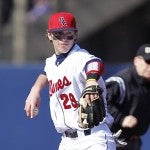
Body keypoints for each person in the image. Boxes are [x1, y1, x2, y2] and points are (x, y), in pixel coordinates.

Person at [24, 11, 116, 150]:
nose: (64, 39)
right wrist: (35, 89)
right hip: (67, 142)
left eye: (69, 34)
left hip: (94, 138)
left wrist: (91, 81)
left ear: (76, 35)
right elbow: (46, 72)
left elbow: (95, 64)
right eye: (58, 34)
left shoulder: (79, 57)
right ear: (49, 35)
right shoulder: (52, 62)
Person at [105, 44, 150, 150]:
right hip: (111, 142)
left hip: (133, 142)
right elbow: (97, 104)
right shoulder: (120, 82)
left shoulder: (147, 84)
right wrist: (121, 118)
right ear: (136, 61)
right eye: (147, 62)